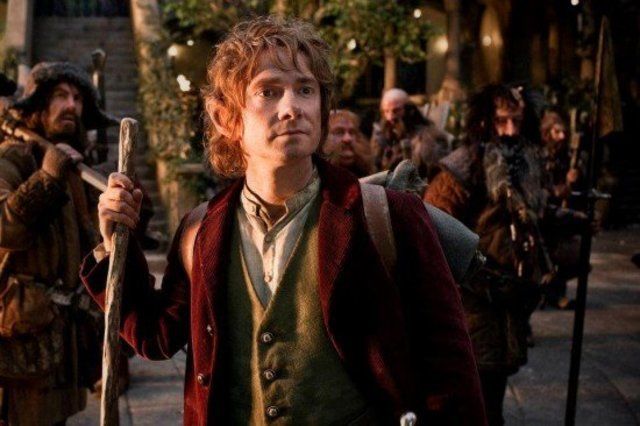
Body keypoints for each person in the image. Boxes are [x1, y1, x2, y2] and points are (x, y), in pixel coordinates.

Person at [81, 16, 486, 425]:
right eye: (268, 92)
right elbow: (156, 336)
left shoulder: (387, 216)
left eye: (305, 90)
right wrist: (115, 246)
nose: (292, 108)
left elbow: (452, 378)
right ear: (225, 117)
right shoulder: (200, 230)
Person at [0, 62, 117, 425]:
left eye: (78, 99)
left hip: (63, 341)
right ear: (38, 105)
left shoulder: (72, 167)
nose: (71, 106)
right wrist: (47, 177)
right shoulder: (12, 157)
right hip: (21, 343)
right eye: (60, 96)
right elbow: (4, 229)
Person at [425, 84, 549, 426]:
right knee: (474, 394)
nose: (510, 131)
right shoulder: (461, 168)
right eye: (501, 121)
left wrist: (571, 220)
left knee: (494, 387)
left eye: (517, 121)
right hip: (470, 302)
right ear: (484, 122)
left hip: (510, 302)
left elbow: (530, 217)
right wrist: (485, 279)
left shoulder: (526, 163)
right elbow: (434, 233)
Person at [322, 109, 374, 177]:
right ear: (322, 138)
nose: (348, 138)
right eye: (339, 132)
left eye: (352, 132)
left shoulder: (367, 172)